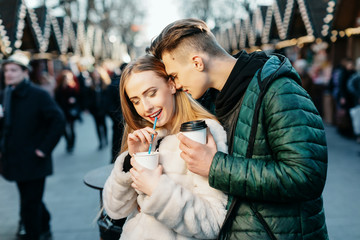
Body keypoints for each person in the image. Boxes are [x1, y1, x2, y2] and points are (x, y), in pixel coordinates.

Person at [148, 18, 328, 239]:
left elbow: (306, 177)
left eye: (174, 76)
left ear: (197, 63)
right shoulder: (211, 101)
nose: (174, 85)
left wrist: (215, 166)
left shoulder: (279, 90)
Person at [102, 55, 228, 239]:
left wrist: (157, 189)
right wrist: (132, 159)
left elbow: (213, 223)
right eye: (136, 101)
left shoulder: (202, 133)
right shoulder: (146, 136)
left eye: (151, 93)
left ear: (171, 85)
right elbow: (115, 210)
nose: (146, 107)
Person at [0, 52, 65, 240]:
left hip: (35, 160)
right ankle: (44, 223)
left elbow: (58, 121)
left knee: (30, 203)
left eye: (13, 70)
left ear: (25, 72)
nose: (9, 74)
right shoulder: (6, 94)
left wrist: (43, 149)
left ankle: (33, 234)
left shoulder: (38, 95)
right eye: (6, 71)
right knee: (30, 199)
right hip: (14, 159)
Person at [55, 69, 81, 153]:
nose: (67, 80)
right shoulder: (59, 88)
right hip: (62, 111)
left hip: (71, 111)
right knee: (64, 129)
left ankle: (72, 144)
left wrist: (74, 100)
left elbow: (79, 97)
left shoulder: (73, 87)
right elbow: (56, 99)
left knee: (72, 128)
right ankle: (68, 142)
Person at [88, 66, 110, 150]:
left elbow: (107, 96)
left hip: (103, 108)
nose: (95, 75)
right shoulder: (91, 84)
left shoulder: (104, 83)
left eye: (97, 73)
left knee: (104, 124)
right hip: (95, 109)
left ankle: (106, 139)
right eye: (94, 73)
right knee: (97, 125)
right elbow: (88, 96)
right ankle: (100, 141)